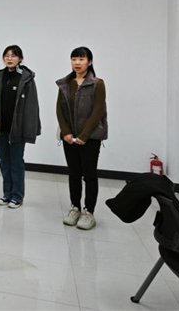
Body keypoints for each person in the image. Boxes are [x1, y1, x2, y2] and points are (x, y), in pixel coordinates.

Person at [56, 46, 107, 231]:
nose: (77, 63)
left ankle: (88, 212)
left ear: (89, 62)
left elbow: (98, 110)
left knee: (90, 175)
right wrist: (66, 133)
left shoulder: (97, 83)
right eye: (74, 59)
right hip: (70, 138)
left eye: (81, 59)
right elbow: (59, 110)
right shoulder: (65, 83)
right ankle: (75, 208)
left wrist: (84, 136)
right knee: (73, 173)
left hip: (90, 138)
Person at [0, 45, 41, 209]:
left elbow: (32, 106)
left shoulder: (26, 78)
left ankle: (17, 196)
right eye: (6, 55)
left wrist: (30, 128)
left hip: (17, 128)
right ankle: (7, 194)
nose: (9, 58)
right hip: (0, 127)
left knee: (16, 162)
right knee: (4, 162)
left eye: (13, 56)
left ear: (20, 59)